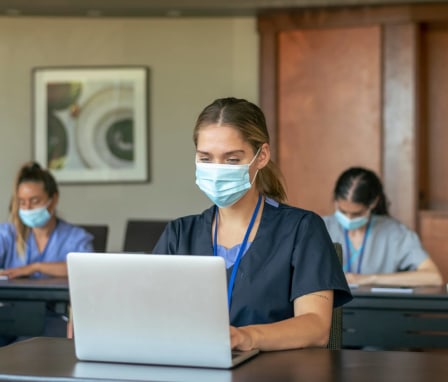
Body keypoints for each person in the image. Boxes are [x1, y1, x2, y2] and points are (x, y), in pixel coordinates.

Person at [153, 97, 352, 352]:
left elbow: (316, 327)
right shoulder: (179, 234)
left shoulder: (302, 229)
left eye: (232, 160)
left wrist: (245, 337)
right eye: (206, 158)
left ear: (262, 156)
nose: (217, 170)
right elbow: (151, 315)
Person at [0, 161, 94, 346]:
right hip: (9, 315)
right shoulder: (8, 234)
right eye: (22, 202)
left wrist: (34, 267)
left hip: (55, 319)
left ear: (53, 199)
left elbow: (86, 269)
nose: (27, 208)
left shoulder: (76, 237)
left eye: (35, 201)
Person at [323, 166, 442, 287]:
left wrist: (369, 279)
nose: (348, 219)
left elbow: (434, 277)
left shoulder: (395, 233)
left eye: (357, 214)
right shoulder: (321, 227)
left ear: (373, 203)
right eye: (342, 212)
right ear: (336, 201)